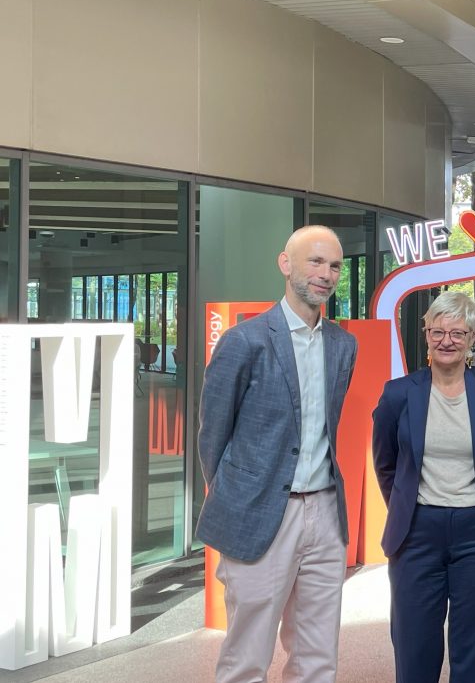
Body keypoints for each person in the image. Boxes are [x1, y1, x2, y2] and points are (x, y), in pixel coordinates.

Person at [197, 225, 358, 683]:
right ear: (285, 264)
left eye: (334, 266)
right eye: (315, 261)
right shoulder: (243, 341)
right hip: (262, 512)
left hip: (326, 513)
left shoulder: (343, 345)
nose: (326, 274)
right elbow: (213, 438)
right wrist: (243, 497)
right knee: (247, 656)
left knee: (317, 654)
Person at [372, 291, 475, 683]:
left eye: (457, 332)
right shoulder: (399, 393)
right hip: (416, 532)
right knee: (413, 642)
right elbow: (386, 464)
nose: (446, 341)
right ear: (426, 335)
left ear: (472, 337)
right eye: (437, 331)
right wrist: (408, 506)